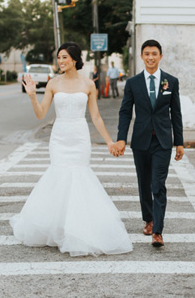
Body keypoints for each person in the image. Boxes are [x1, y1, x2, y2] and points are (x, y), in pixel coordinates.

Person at [9, 43, 132, 257]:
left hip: (80, 136)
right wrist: (31, 95)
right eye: (59, 58)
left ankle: (78, 229)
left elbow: (95, 117)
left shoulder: (89, 85)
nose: (61, 61)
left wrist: (110, 142)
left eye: (64, 57)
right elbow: (41, 114)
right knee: (60, 175)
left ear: (74, 59)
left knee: (79, 176)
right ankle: (58, 228)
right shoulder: (53, 84)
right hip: (59, 137)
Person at [113, 39, 184, 248]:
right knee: (144, 183)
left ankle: (158, 231)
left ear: (160, 56)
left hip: (162, 141)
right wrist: (121, 139)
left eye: (154, 53)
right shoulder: (133, 83)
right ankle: (149, 220)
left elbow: (176, 113)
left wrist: (179, 142)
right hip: (141, 141)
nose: (151, 57)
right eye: (147, 54)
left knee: (158, 184)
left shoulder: (171, 81)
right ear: (142, 57)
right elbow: (125, 112)